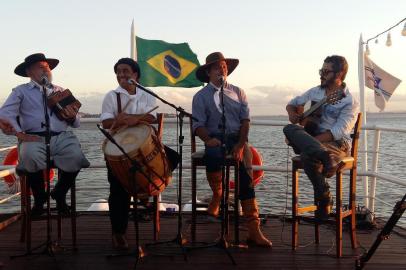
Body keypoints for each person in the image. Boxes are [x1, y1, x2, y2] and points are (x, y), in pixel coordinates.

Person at [192, 52, 271, 247]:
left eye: (225, 66)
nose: (223, 69)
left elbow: (246, 121)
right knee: (213, 157)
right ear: (209, 71)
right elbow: (198, 124)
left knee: (244, 170)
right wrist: (208, 139)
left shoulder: (238, 92)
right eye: (218, 66)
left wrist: (241, 143)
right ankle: (218, 195)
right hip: (214, 138)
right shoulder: (200, 97)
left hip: (237, 137)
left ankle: (253, 229)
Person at [0, 53, 90, 216]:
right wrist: (20, 134)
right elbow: (5, 112)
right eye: (40, 67)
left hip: (61, 136)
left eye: (47, 67)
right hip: (34, 136)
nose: (45, 70)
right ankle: (40, 198)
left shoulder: (61, 91)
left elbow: (76, 123)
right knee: (29, 155)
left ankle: (60, 193)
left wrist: (72, 116)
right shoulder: (21, 91)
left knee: (77, 157)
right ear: (29, 72)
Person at [283, 55, 359, 221]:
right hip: (315, 140)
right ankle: (322, 156)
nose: (322, 74)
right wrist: (293, 114)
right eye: (321, 70)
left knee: (307, 155)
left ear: (339, 74)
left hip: (337, 144)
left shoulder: (349, 101)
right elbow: (292, 103)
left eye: (326, 71)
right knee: (289, 128)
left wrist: (309, 142)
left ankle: (323, 196)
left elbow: (338, 131)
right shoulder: (315, 91)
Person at [100, 58, 157, 250]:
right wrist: (122, 120)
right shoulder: (111, 96)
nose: (121, 75)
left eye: (125, 71)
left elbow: (152, 117)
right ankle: (119, 233)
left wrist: (132, 118)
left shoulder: (147, 94)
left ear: (136, 75)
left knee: (173, 157)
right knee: (117, 189)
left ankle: (147, 190)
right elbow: (107, 123)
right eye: (118, 72)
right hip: (119, 147)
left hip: (144, 147)